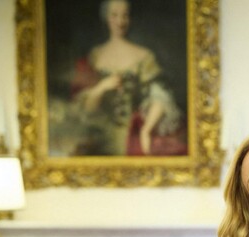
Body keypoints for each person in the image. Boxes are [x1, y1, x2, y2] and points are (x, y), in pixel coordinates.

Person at [68, 0, 185, 156]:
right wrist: (102, 87)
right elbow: (85, 109)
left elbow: (161, 97)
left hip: (134, 135)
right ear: (106, 18)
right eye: (114, 15)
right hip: (100, 137)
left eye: (124, 16)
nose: (120, 22)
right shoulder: (94, 56)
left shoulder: (144, 56)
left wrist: (146, 129)